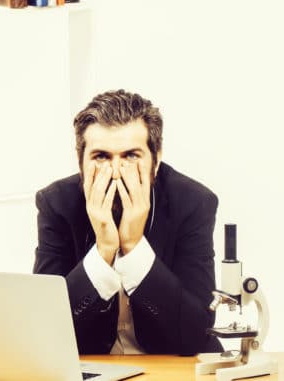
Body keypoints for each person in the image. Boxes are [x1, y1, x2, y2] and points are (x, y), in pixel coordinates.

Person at [33, 89, 223, 355]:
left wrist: (134, 247)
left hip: (170, 366)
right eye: (101, 156)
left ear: (155, 161)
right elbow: (44, 331)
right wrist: (103, 252)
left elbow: (194, 335)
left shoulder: (192, 202)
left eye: (131, 156)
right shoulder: (57, 204)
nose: (115, 172)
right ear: (81, 163)